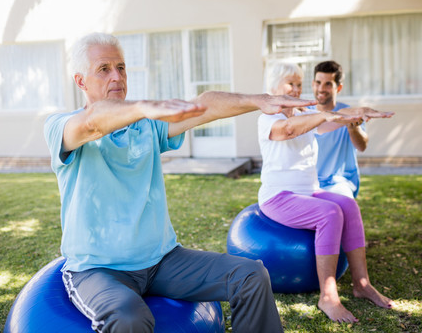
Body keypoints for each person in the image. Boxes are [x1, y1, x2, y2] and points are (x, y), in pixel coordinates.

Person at [44, 32, 316, 333]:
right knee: (129, 318)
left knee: (251, 275)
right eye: (104, 69)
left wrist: (259, 100)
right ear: (81, 81)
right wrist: (143, 108)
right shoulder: (61, 127)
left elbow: (204, 106)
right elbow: (93, 121)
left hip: (161, 261)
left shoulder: (146, 125)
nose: (117, 76)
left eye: (121, 67)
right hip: (97, 269)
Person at [257, 62, 395, 323]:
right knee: (329, 213)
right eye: (290, 84)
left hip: (308, 192)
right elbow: (290, 130)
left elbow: (329, 121)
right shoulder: (268, 119)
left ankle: (361, 283)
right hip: (278, 197)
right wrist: (323, 115)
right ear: (273, 88)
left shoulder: (306, 113)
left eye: (299, 84)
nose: (297, 89)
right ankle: (328, 297)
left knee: (348, 205)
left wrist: (358, 113)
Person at [312, 60, 367, 198]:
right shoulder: (304, 113)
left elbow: (362, 146)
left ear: (339, 88)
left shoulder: (348, 113)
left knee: (342, 204)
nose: (321, 89)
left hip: (338, 181)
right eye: (318, 83)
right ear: (313, 84)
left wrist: (352, 128)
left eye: (328, 84)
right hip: (308, 181)